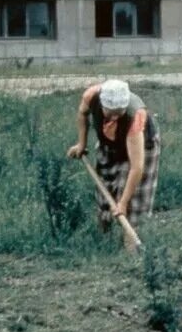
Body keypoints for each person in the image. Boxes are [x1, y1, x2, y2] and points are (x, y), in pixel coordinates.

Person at [66, 78, 160, 251]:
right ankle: (105, 243)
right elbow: (82, 114)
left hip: (140, 148)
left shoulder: (135, 116)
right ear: (102, 103)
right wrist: (82, 144)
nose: (116, 117)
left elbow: (136, 167)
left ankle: (130, 250)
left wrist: (123, 202)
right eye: (111, 113)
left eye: (120, 112)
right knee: (105, 192)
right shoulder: (91, 96)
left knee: (131, 200)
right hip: (109, 144)